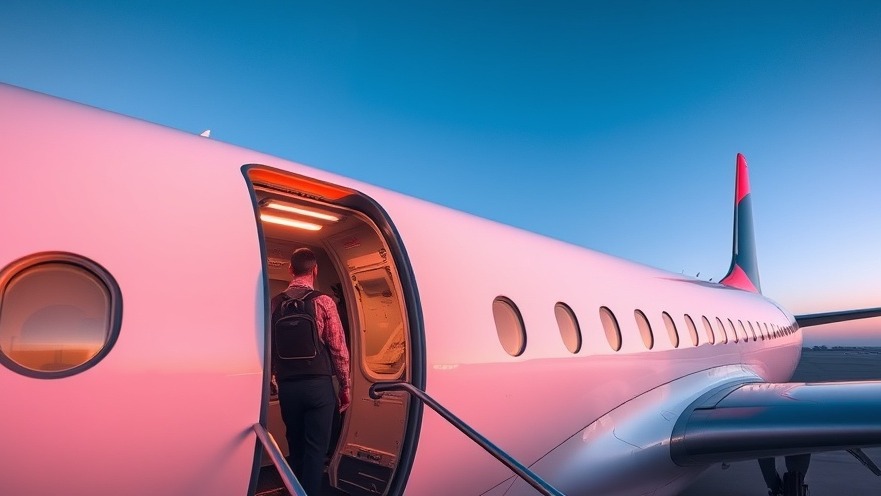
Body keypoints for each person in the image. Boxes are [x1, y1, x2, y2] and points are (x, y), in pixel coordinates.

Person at [271, 248, 351, 495]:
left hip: (288, 387)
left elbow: (270, 346)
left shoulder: (275, 303)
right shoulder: (324, 302)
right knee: (316, 450)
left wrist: (273, 378)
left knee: (295, 447)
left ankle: (294, 491)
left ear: (290, 270)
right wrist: (345, 386)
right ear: (315, 270)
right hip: (318, 387)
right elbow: (338, 348)